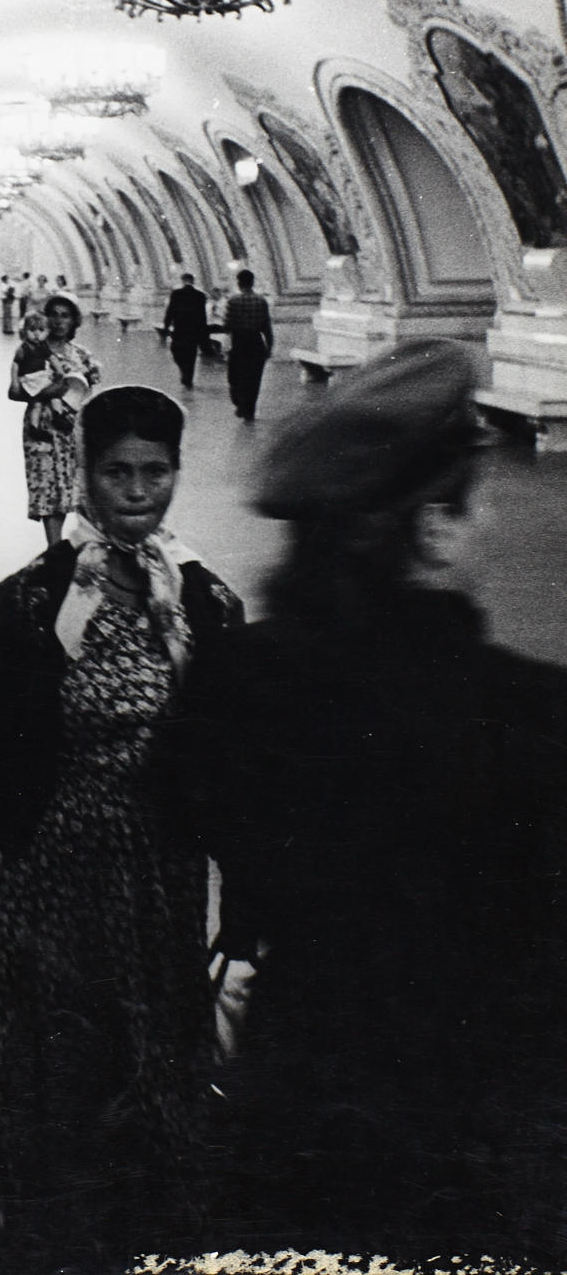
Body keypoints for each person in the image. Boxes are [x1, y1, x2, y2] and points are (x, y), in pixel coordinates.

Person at [178, 340, 567, 1262]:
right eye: (471, 503)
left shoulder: (233, 681)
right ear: (432, 528)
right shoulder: (527, 717)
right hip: (472, 1135)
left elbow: (198, 815)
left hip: (296, 1099)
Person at [0, 386, 244, 1271]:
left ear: (176, 472)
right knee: (60, 1071)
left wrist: (245, 906)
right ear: (84, 474)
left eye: (155, 472)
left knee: (158, 1057)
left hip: (155, 878)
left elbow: (231, 765)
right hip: (40, 875)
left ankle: (151, 1237)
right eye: (117, 472)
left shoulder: (206, 605)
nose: (137, 491)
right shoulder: (28, 603)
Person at [8, 290, 100, 545]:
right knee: (48, 486)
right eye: (54, 315)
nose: (59, 321)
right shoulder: (32, 351)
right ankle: (54, 549)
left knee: (76, 485)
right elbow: (13, 392)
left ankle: (87, 543)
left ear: (74, 321)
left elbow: (89, 394)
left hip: (72, 427)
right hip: (41, 428)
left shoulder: (82, 355)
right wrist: (50, 391)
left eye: (65, 316)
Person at [217, 268, 272, 419]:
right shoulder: (261, 301)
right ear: (252, 282)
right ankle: (249, 410)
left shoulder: (232, 301)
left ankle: (240, 403)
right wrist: (269, 346)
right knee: (254, 378)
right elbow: (266, 326)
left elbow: (226, 326)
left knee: (235, 377)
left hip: (238, 343)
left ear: (239, 283)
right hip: (256, 342)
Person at [161, 272, 210, 391]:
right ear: (193, 281)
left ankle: (184, 372)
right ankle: (188, 375)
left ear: (182, 281)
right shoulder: (200, 295)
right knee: (191, 354)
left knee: (176, 351)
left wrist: (166, 327)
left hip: (179, 329)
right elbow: (202, 316)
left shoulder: (176, 293)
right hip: (194, 330)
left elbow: (170, 312)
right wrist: (203, 333)